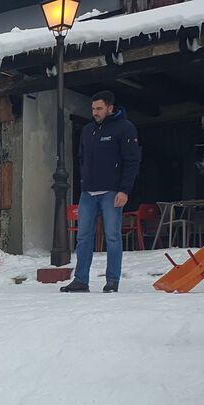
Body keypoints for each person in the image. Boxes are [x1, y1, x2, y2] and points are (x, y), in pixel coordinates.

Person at [61, 90, 141, 293]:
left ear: (110, 108)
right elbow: (81, 158)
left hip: (112, 192)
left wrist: (124, 190)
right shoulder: (88, 130)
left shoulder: (125, 128)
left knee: (112, 236)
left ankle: (112, 281)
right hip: (88, 192)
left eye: (99, 108)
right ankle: (81, 280)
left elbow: (132, 161)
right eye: (93, 109)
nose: (95, 112)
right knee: (83, 237)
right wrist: (83, 181)